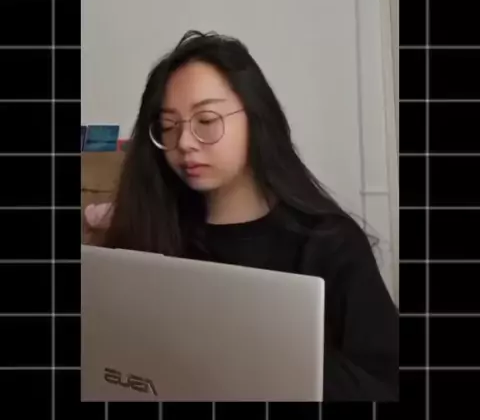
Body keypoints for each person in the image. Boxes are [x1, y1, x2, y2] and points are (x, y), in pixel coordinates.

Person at [88, 29, 398, 402]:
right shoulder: (149, 232)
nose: (183, 142)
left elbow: (384, 384)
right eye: (168, 127)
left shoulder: (330, 243)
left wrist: (269, 355)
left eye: (206, 120)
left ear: (255, 118)